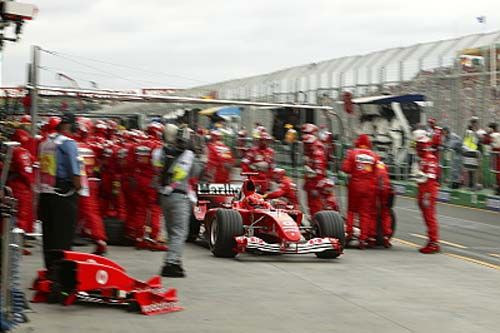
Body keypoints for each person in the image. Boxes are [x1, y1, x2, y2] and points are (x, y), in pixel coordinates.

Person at [38, 113, 82, 270]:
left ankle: (50, 271)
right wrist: (78, 188)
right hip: (63, 193)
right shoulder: (68, 143)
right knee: (63, 237)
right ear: (71, 126)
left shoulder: (45, 142)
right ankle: (61, 275)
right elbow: (75, 172)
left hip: (45, 193)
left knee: (49, 236)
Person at [157, 124, 198, 277]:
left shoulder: (161, 152)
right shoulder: (187, 155)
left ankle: (174, 259)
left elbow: (157, 170)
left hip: (164, 195)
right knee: (180, 232)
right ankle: (171, 263)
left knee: (171, 231)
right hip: (179, 196)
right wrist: (197, 155)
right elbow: (195, 172)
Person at [128, 123, 166, 251]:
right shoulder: (158, 146)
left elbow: (131, 164)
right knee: (155, 209)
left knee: (140, 209)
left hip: (138, 180)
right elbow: (160, 166)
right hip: (152, 181)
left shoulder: (137, 145)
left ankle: (139, 238)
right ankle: (154, 239)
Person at [75, 119, 107, 255]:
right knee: (90, 212)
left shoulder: (73, 145)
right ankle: (96, 237)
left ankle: (99, 240)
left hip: (79, 182)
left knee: (88, 212)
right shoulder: (93, 146)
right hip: (91, 181)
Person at [342, 134, 379, 249]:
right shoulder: (374, 155)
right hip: (369, 187)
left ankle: (349, 234)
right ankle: (363, 239)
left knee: (351, 210)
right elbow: (377, 173)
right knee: (365, 213)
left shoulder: (353, 153)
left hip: (355, 185)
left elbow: (346, 169)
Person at [8, 129, 36, 255]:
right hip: (21, 188)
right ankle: (18, 245)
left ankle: (16, 244)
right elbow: (26, 171)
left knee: (15, 216)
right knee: (21, 216)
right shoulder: (21, 152)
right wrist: (31, 184)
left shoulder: (10, 150)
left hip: (13, 185)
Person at [414, 133, 440, 254]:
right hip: (425, 190)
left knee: (429, 218)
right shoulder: (425, 159)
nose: (417, 149)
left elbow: (429, 178)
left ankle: (433, 242)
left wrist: (425, 194)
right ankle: (432, 241)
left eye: (419, 146)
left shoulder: (429, 159)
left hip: (428, 191)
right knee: (427, 217)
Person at [303, 133, 328, 217]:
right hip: (311, 185)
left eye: (307, 144)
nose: (305, 146)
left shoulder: (317, 153)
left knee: (316, 206)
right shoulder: (310, 153)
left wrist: (315, 188)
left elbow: (319, 172)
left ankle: (318, 223)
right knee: (311, 206)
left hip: (315, 186)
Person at [484, 123, 500, 195]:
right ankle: (498, 188)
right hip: (496, 155)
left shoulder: (494, 135)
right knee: (497, 172)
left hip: (498, 155)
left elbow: (486, 141)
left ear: (491, 128)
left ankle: (498, 189)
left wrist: (487, 134)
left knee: (498, 172)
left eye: (489, 128)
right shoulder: (497, 134)